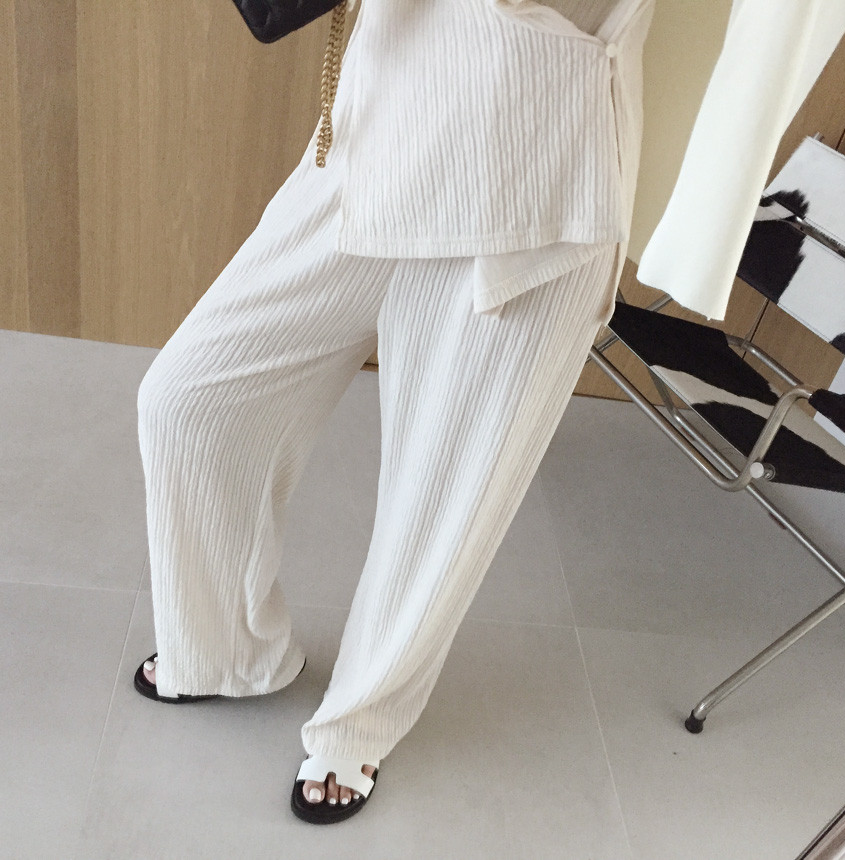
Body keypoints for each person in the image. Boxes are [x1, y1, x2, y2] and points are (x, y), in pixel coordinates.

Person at [133, 0, 657, 824]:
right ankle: (227, 651)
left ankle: (360, 723)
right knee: (190, 402)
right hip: (383, 130)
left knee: (439, 498)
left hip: (532, 177)